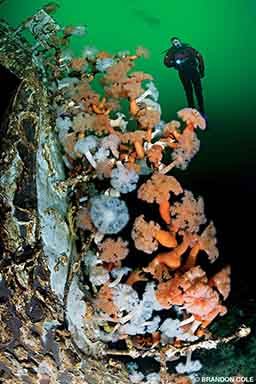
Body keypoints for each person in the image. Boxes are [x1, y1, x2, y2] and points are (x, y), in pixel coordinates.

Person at [163, 37, 205, 115]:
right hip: (183, 73)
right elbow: (166, 63)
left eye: (177, 41)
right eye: (174, 42)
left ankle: (202, 109)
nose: (176, 43)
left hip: (194, 71)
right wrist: (175, 63)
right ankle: (191, 109)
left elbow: (200, 57)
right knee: (188, 91)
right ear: (172, 44)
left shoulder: (188, 49)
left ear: (180, 41)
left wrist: (201, 70)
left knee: (198, 90)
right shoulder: (171, 52)